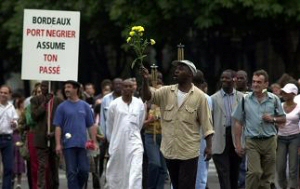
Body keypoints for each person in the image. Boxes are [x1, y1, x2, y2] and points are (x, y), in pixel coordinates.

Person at [141, 60, 214, 189]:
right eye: (177, 68)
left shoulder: (200, 97)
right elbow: (148, 97)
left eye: (181, 69)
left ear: (191, 74)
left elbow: (207, 124)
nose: (177, 70)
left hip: (189, 152)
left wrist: (209, 147)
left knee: (186, 186)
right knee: (176, 185)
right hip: (170, 150)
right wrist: (145, 80)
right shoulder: (166, 92)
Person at [232, 69, 286, 189]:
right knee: (255, 172)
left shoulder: (274, 99)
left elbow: (283, 119)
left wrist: (273, 119)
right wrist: (238, 145)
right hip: (252, 141)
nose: (255, 84)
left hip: (270, 140)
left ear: (266, 84)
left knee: (268, 176)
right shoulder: (245, 99)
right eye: (254, 81)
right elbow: (238, 122)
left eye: (259, 82)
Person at [54, 80, 98, 189]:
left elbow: (91, 125)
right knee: (71, 172)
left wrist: (94, 141)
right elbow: (58, 126)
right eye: (65, 88)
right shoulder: (62, 107)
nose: (66, 90)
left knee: (84, 171)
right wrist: (58, 144)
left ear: (76, 89)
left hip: (83, 145)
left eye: (69, 87)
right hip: (68, 145)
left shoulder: (85, 106)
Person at [105, 79, 146, 189]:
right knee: (118, 172)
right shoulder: (114, 104)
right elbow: (110, 125)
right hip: (118, 143)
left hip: (135, 142)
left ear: (134, 88)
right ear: (121, 88)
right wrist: (113, 142)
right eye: (125, 86)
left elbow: (140, 122)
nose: (128, 88)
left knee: (136, 170)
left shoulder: (139, 103)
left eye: (130, 86)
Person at [211, 70, 244, 189]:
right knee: (223, 172)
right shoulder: (213, 99)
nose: (224, 80)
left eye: (227, 78)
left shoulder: (241, 97)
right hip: (220, 137)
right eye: (222, 78)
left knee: (234, 172)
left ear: (234, 79)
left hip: (236, 138)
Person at [30, 81, 63, 189]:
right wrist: (45, 103)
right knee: (42, 166)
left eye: (46, 86)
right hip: (41, 139)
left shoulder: (59, 101)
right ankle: (41, 187)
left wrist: (54, 133)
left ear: (51, 87)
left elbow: (62, 120)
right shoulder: (35, 100)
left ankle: (55, 186)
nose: (44, 88)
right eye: (42, 86)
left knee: (54, 167)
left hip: (54, 138)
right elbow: (34, 116)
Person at [143, 72, 168, 189]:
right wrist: (149, 120)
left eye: (159, 80)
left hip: (164, 134)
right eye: (155, 80)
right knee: (154, 164)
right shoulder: (146, 101)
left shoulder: (167, 97)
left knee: (163, 168)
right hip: (150, 135)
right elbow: (140, 124)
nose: (157, 83)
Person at [276, 83, 300, 189]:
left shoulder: (299, 107)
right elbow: (274, 121)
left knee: (293, 167)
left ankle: (292, 187)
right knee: (280, 167)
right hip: (281, 138)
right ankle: (283, 186)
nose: (284, 94)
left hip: (295, 137)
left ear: (293, 94)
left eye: (287, 92)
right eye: (283, 92)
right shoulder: (279, 106)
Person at [193, 69, 212, 189]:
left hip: (200, 140)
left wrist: (209, 145)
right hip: (187, 140)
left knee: (200, 173)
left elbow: (207, 123)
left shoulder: (205, 98)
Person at [0, 85, 19, 189]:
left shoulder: (11, 107)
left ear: (9, 95)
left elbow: (16, 121)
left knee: (8, 168)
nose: (2, 94)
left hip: (7, 139)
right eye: (1, 92)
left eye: (5, 93)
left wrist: (14, 123)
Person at [235, 70, 250, 189]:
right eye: (237, 78)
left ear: (247, 80)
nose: (239, 80)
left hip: (248, 135)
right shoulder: (231, 94)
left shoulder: (250, 95)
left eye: (242, 78)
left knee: (245, 167)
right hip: (233, 135)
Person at [13, 97, 26, 189]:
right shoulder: (15, 111)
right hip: (15, 136)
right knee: (14, 159)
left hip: (23, 136)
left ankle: (19, 182)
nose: (21, 104)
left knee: (20, 159)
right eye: (20, 102)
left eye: (22, 102)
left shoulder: (25, 111)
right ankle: (13, 179)